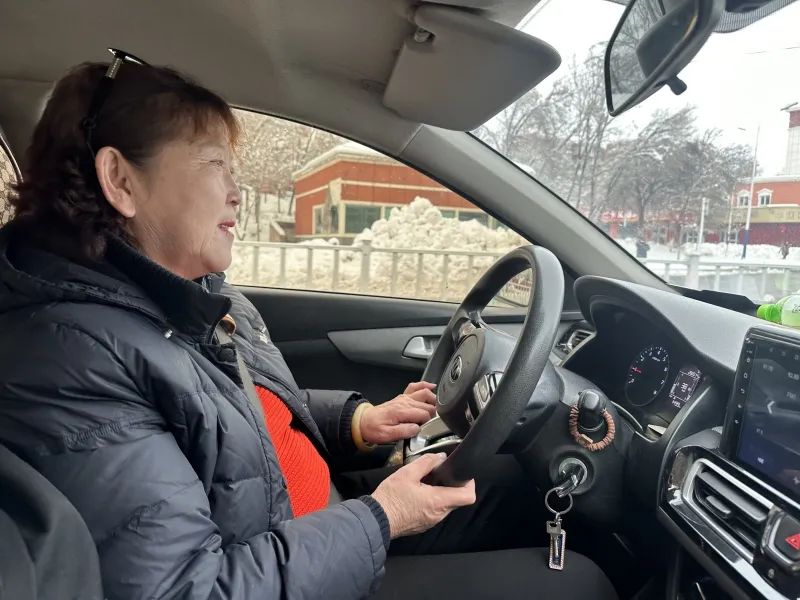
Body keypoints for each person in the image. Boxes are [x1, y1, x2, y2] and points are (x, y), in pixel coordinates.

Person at [0, 57, 617, 599]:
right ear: (120, 180)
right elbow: (186, 589)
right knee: (579, 584)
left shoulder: (182, 299)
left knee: (513, 487)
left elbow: (237, 420)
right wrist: (384, 518)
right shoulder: (66, 358)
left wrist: (356, 424)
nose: (237, 193)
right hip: (291, 566)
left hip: (310, 529)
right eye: (214, 164)